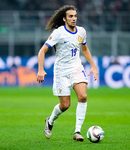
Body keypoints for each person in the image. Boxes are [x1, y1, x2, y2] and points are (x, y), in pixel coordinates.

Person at [37, 5, 99, 142]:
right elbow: (42, 51)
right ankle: (50, 121)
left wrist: (93, 66)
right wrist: (41, 69)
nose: (74, 19)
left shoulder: (81, 31)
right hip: (61, 71)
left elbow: (85, 50)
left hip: (76, 68)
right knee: (65, 105)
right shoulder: (58, 33)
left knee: (83, 96)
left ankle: (77, 131)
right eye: (70, 16)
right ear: (64, 19)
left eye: (75, 16)